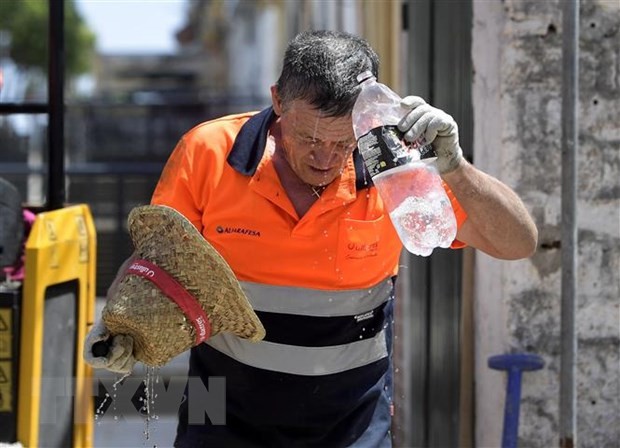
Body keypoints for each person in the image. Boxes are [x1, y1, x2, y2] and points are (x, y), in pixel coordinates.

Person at [84, 30, 537, 447]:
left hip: (351, 422)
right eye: (309, 138)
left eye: (344, 143)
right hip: (220, 413)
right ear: (278, 100)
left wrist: (454, 167)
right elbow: (156, 262)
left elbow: (519, 243)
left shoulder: (399, 169)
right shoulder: (209, 153)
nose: (326, 158)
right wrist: (123, 321)